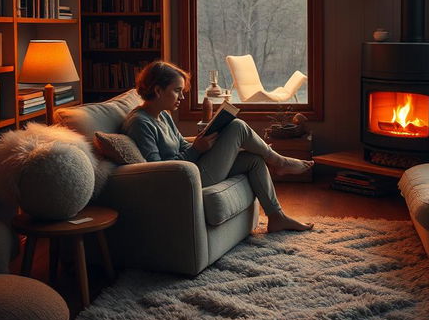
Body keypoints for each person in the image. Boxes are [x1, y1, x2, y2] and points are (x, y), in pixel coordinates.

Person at [122, 61, 314, 232]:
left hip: (193, 170)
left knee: (253, 160)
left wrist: (215, 139)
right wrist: (197, 148)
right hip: (184, 181)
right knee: (238, 127)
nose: (182, 97)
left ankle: (276, 217)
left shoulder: (162, 115)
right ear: (157, 90)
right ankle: (279, 161)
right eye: (177, 90)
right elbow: (159, 171)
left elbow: (181, 144)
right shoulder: (140, 123)